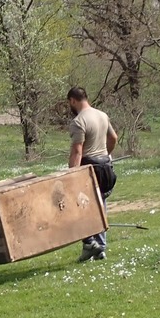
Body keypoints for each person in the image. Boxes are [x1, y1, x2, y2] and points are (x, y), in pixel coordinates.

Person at [67, 87, 118, 262]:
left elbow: (77, 151)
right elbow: (113, 138)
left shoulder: (79, 121)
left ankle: (90, 243)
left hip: (90, 169)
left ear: (73, 100)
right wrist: (106, 155)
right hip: (106, 167)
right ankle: (99, 248)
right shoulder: (102, 115)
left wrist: (71, 175)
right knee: (100, 206)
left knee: (80, 207)